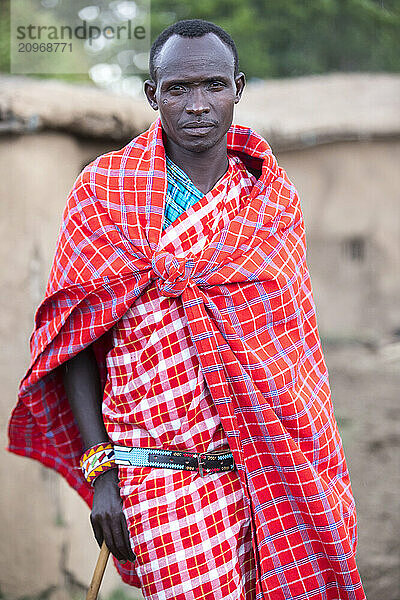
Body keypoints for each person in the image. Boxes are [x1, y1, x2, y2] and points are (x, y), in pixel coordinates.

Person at [9, 19, 365, 600]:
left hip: (275, 469)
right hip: (160, 479)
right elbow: (74, 342)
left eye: (213, 85)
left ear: (237, 88)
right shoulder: (104, 194)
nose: (197, 104)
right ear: (153, 96)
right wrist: (102, 477)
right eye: (177, 89)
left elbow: (295, 357)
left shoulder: (270, 203)